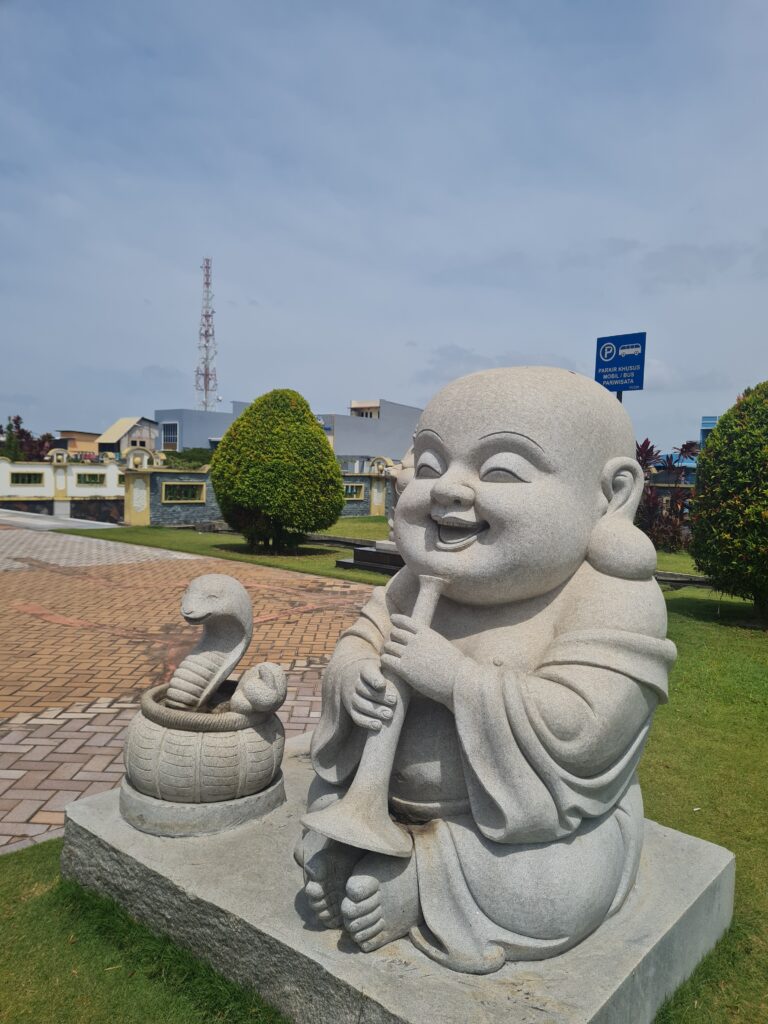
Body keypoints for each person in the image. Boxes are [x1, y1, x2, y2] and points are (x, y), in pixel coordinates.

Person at [296, 366, 676, 974]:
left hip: (515, 836)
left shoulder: (610, 597)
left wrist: (454, 679)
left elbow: (584, 730)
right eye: (427, 465)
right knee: (322, 795)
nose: (447, 490)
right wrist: (355, 678)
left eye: (500, 469)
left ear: (611, 495)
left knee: (558, 884)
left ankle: (422, 878)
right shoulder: (412, 580)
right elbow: (358, 643)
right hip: (391, 793)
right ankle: (365, 842)